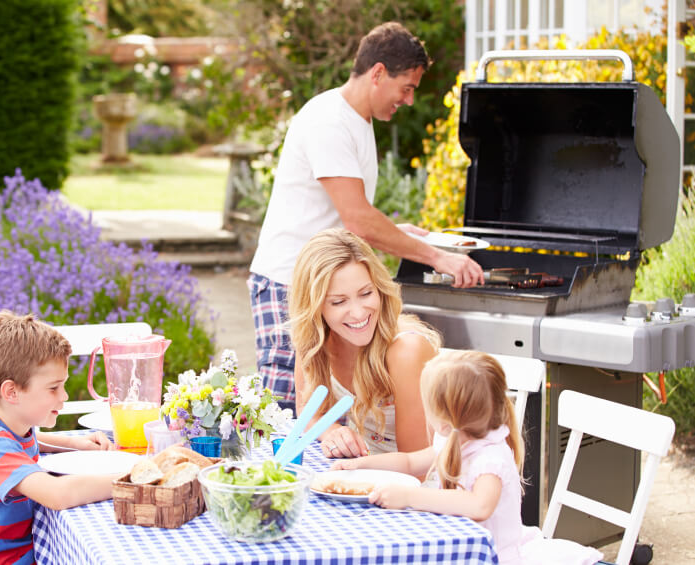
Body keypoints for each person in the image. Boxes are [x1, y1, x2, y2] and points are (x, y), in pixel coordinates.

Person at [248, 22, 484, 411]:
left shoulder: (356, 121)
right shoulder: (329, 120)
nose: (408, 100)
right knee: (290, 415)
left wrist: (397, 232)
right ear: (378, 74)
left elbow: (347, 216)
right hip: (288, 283)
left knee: (327, 414)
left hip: (322, 281)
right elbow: (358, 219)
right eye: (406, 87)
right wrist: (438, 257)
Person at [333, 350, 604, 565]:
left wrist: (410, 497)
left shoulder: (490, 457)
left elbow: (479, 506)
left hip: (494, 556)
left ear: (444, 419)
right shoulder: (451, 438)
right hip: (458, 546)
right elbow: (408, 462)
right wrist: (359, 464)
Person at [0, 311, 120, 564]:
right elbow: (58, 495)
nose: (64, 396)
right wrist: (129, 479)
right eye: (54, 388)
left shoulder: (4, 425)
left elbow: (27, 442)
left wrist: (72, 443)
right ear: (12, 392)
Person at [289, 228, 442, 458]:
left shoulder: (406, 351)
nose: (359, 313)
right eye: (339, 301)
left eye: (366, 293)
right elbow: (309, 411)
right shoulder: (315, 340)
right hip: (367, 471)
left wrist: (357, 469)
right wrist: (333, 432)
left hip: (419, 481)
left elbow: (418, 468)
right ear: (315, 307)